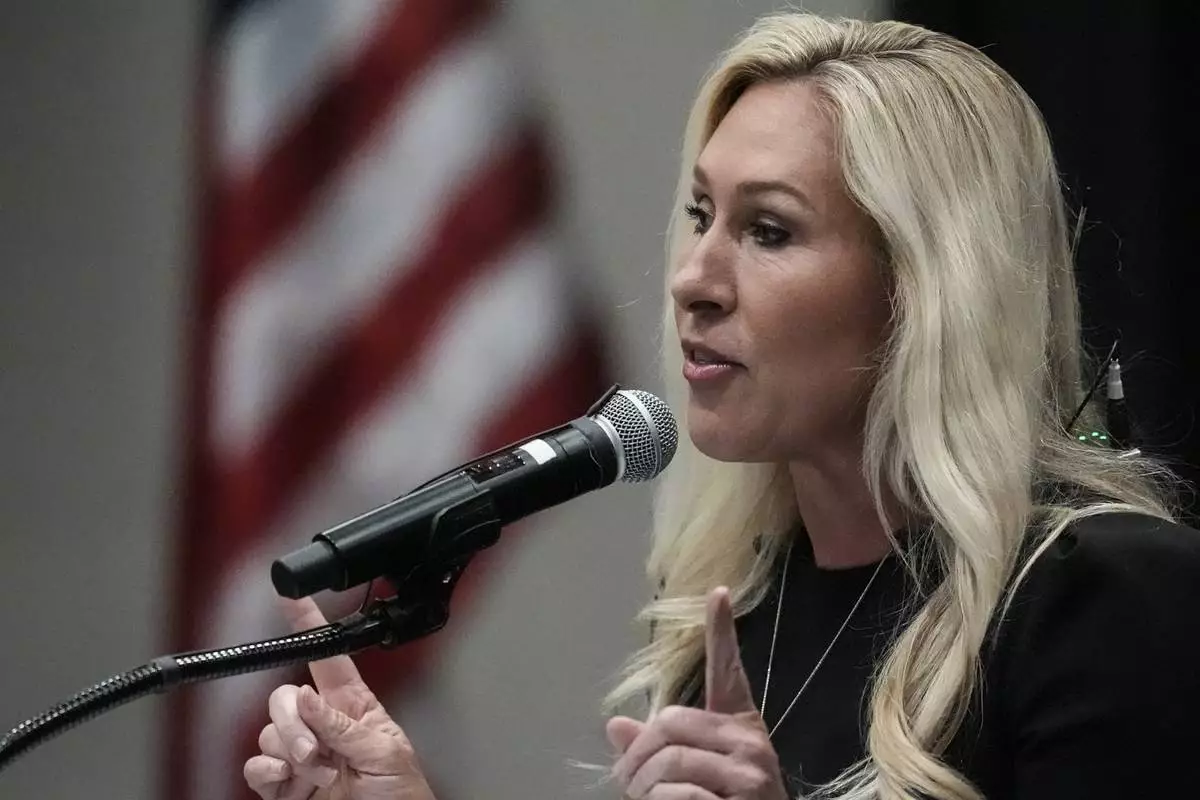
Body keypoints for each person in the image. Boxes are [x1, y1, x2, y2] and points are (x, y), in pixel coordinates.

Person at [243, 12, 1200, 800]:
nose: (693, 279)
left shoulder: (1099, 597)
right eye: (702, 216)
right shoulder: (730, 627)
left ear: (924, 290)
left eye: (769, 230)